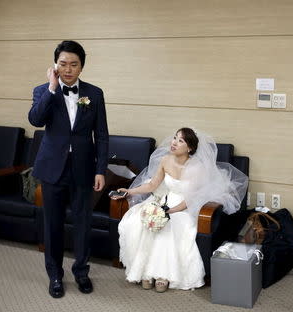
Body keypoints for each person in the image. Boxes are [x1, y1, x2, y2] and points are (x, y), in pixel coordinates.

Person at [113, 128, 248, 292]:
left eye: (181, 140)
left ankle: (163, 275)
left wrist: (169, 212)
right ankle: (146, 272)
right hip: (165, 201)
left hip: (185, 206)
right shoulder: (165, 160)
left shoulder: (197, 167)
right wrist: (130, 191)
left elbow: (189, 200)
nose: (174, 142)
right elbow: (152, 185)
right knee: (140, 219)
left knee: (172, 225)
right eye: (175, 138)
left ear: (190, 148)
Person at [28, 40, 109, 298]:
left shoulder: (94, 93)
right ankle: (54, 276)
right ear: (55, 65)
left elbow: (103, 135)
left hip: (84, 169)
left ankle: (82, 272)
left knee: (83, 223)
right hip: (53, 169)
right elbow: (36, 120)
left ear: (81, 67)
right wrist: (52, 88)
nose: (68, 69)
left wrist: (101, 169)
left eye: (74, 64)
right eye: (63, 64)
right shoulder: (43, 90)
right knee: (52, 225)